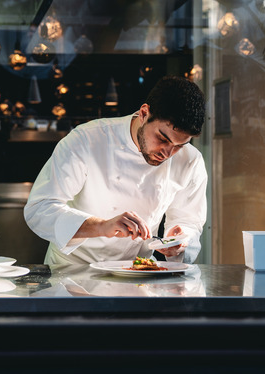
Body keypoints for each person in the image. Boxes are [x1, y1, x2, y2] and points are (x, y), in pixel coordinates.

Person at [24, 75, 207, 265]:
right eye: (162, 139)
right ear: (144, 113)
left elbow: (189, 220)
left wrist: (179, 240)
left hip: (137, 272)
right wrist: (101, 226)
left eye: (180, 145)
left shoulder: (190, 160)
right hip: (72, 272)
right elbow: (40, 208)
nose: (168, 153)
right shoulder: (87, 140)